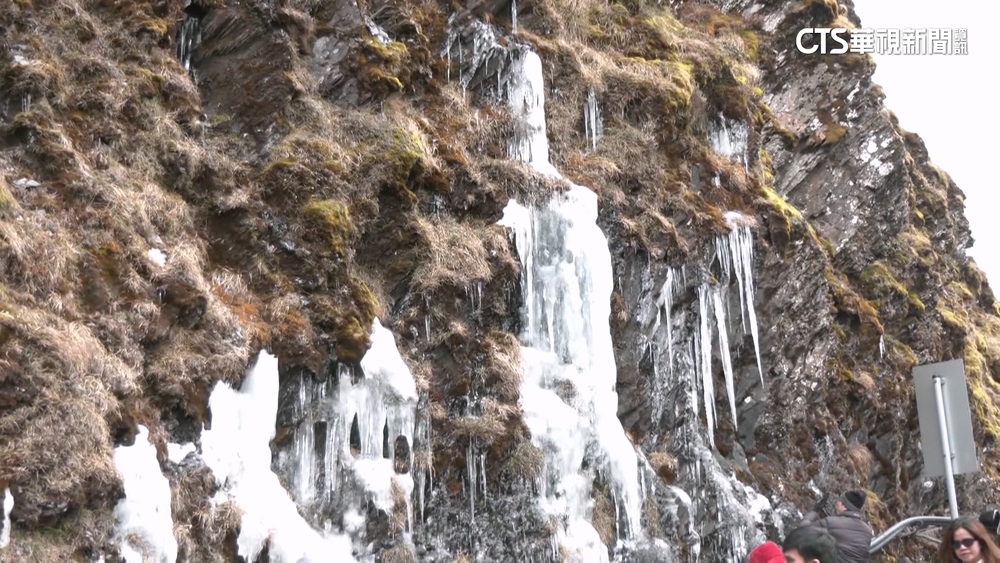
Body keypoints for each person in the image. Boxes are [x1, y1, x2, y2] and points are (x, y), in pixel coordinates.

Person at [799, 489, 874, 563]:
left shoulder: (831, 522)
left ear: (845, 506)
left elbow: (802, 530)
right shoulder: (868, 531)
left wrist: (815, 510)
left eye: (840, 501)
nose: (837, 503)